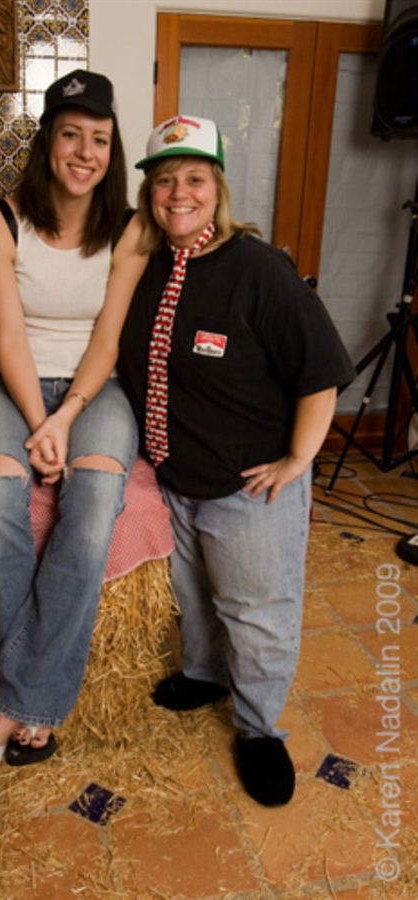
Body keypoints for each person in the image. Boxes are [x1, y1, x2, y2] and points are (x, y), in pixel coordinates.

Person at [117, 115, 355, 807]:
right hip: (177, 477)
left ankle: (258, 729)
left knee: (256, 613)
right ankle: (204, 674)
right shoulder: (143, 264)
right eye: (164, 181)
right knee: (194, 597)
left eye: (194, 178)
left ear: (217, 188)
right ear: (148, 194)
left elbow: (319, 371)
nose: (179, 194)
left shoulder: (259, 270)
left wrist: (298, 458)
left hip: (247, 486)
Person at [0, 69, 146, 804]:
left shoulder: (129, 228)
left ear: (112, 150)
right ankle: (30, 707)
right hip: (12, 385)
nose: (85, 152)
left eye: (99, 139)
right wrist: (39, 422)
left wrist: (65, 420)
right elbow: (9, 338)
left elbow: (107, 340)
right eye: (71, 135)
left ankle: (6, 711)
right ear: (46, 141)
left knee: (94, 503)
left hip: (97, 390)